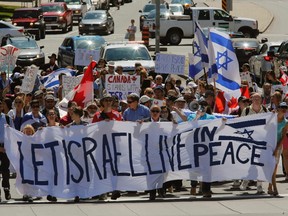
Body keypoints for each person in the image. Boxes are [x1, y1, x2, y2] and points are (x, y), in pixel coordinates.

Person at [92, 93, 122, 200]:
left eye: (110, 100)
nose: (108, 102)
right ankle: (102, 191)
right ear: (102, 102)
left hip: (114, 145)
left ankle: (114, 189)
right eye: (106, 100)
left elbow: (122, 129)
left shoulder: (117, 115)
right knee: (102, 167)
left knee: (114, 168)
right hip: (101, 145)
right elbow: (93, 130)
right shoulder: (97, 116)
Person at [240, 93, 268, 194]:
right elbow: (240, 124)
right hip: (249, 141)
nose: (256, 100)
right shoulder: (246, 110)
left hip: (261, 141)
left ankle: (259, 186)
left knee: (260, 164)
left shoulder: (265, 110)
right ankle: (245, 181)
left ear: (261, 100)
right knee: (249, 163)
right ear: (251, 99)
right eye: (254, 98)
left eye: (258, 98)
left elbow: (269, 123)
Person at [267, 102, 288, 196]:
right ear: (278, 108)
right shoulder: (272, 118)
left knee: (274, 167)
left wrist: (277, 148)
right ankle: (270, 187)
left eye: (286, 107)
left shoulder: (286, 122)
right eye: (282, 107)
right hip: (268, 144)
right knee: (269, 166)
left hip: (278, 145)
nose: (284, 109)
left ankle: (272, 187)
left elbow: (283, 136)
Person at [0, 98, 14, 202]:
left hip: (5, 148)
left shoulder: (8, 118)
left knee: (5, 171)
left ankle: (6, 189)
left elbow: (13, 133)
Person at [21, 124, 36, 202]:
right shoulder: (21, 139)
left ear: (32, 131)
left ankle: (31, 194)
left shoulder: (35, 139)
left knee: (31, 178)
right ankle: (25, 194)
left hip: (33, 161)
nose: (28, 132)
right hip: (23, 161)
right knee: (24, 178)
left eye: (30, 131)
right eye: (26, 131)